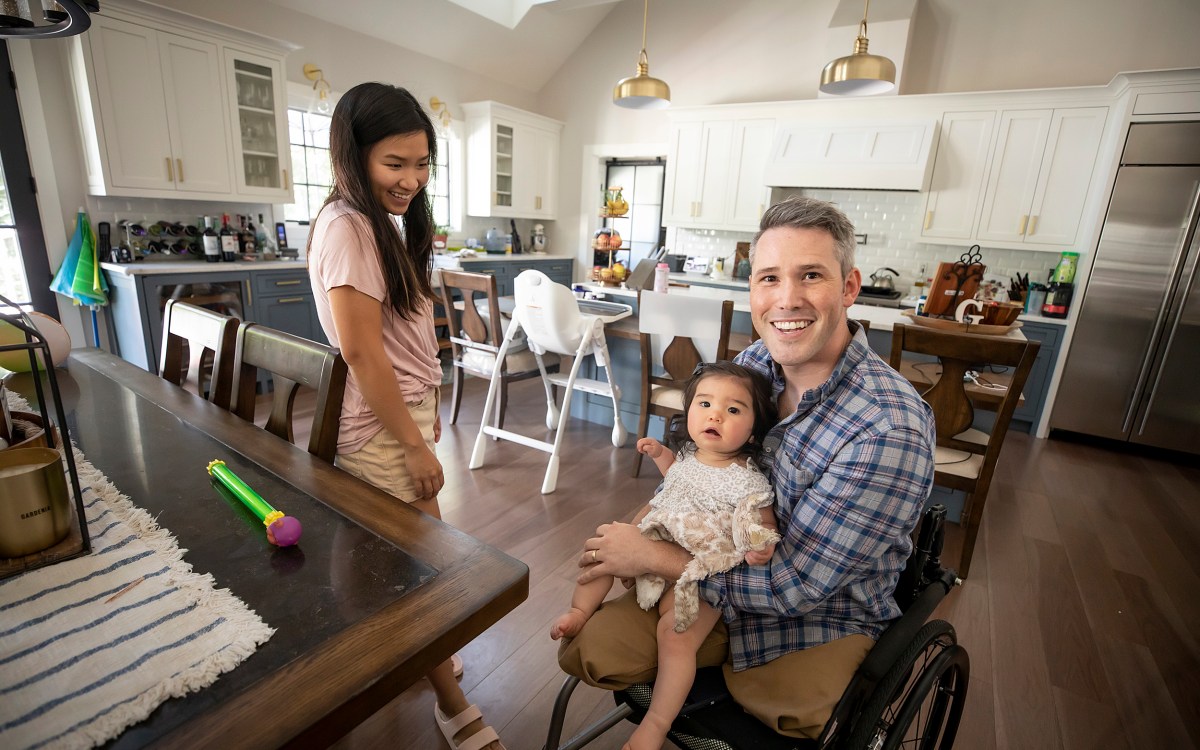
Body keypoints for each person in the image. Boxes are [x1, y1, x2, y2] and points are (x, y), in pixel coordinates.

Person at [557, 195, 936, 743]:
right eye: (768, 278)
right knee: (590, 651)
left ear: (849, 288)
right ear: (751, 288)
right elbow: (697, 467)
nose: (787, 300)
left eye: (811, 276)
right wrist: (647, 522)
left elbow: (797, 585)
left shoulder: (888, 428)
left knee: (779, 712)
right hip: (713, 572)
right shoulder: (755, 364)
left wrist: (652, 556)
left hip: (815, 616)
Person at [307, 82, 505, 750]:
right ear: (353, 156)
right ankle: (450, 702)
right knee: (418, 570)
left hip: (402, 417)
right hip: (380, 430)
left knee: (399, 559)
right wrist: (418, 449)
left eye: (422, 165)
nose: (413, 180)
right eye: (396, 164)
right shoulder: (348, 227)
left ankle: (413, 662)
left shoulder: (373, 224)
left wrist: (426, 424)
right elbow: (362, 352)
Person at [551, 361, 780, 750]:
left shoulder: (748, 477)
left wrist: (761, 544)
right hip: (655, 537)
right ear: (689, 410)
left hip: (697, 570)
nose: (715, 415)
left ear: (754, 429)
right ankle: (580, 610)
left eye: (734, 410)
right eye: (704, 404)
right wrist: (660, 455)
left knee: (676, 637)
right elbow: (677, 478)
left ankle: (655, 724)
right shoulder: (690, 455)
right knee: (601, 551)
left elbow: (759, 518)